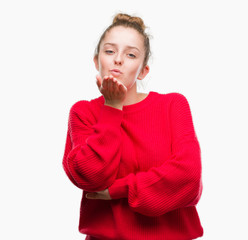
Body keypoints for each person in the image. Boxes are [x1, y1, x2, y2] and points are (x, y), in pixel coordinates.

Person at [62, 13, 203, 240]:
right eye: (109, 51)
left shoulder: (173, 105)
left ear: (143, 70)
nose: (118, 59)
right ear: (97, 61)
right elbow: (91, 178)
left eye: (130, 54)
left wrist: (120, 190)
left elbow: (188, 176)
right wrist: (112, 106)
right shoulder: (83, 112)